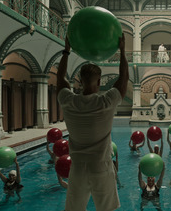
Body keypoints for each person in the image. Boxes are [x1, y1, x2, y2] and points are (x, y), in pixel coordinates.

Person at [57, 34, 128, 211]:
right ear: (99, 81)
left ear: (80, 81)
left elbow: (60, 79)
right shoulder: (106, 102)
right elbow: (123, 79)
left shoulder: (69, 101)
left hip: (78, 167)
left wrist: (66, 51)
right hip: (101, 166)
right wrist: (122, 51)